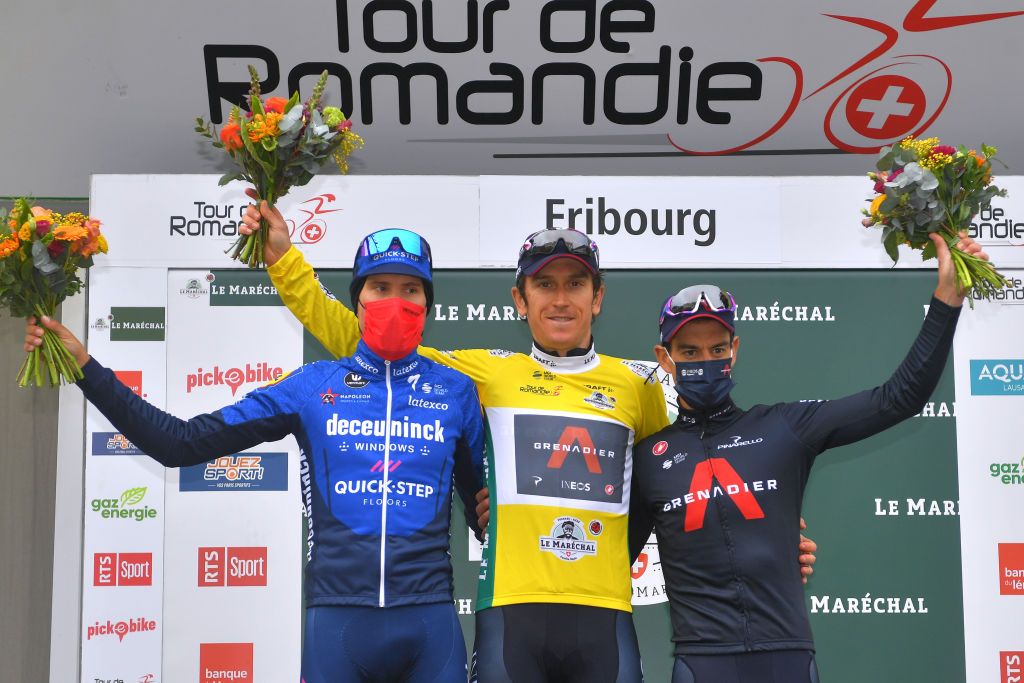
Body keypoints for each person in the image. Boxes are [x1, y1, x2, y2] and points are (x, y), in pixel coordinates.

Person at [239, 201, 817, 682]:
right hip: (509, 614)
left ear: (598, 297)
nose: (560, 299)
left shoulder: (637, 386)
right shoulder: (484, 375)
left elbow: (688, 470)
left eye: (575, 284)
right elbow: (354, 336)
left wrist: (757, 529)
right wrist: (284, 261)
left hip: (604, 615)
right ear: (520, 300)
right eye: (544, 285)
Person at [26, 229, 485, 683]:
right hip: (337, 627)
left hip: (430, 626)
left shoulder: (457, 392)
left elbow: (483, 511)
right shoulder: (313, 385)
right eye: (380, 287)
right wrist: (85, 368)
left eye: (410, 289)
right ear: (357, 300)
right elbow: (179, 443)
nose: (394, 301)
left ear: (428, 304)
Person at [628, 232, 980, 683]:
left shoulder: (783, 428)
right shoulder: (649, 459)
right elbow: (611, 571)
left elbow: (900, 399)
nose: (706, 361)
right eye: (690, 352)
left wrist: (947, 300)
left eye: (718, 349)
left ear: (735, 351)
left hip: (788, 657)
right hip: (701, 662)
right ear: (665, 358)